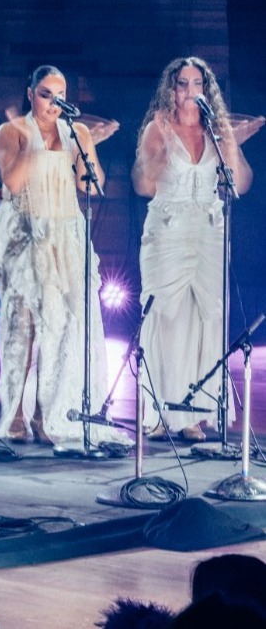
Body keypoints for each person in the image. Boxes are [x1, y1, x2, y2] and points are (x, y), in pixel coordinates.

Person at [133, 57, 262, 441]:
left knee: (205, 319)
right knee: (167, 318)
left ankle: (194, 413)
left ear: (207, 90)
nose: (190, 92)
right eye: (183, 84)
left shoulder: (216, 132)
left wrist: (231, 143)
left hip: (208, 231)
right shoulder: (158, 127)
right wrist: (158, 152)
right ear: (171, 90)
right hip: (168, 231)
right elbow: (144, 185)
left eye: (197, 84)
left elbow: (240, 184)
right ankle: (159, 412)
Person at [0, 64, 108, 447]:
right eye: (46, 95)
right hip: (24, 232)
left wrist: (87, 147)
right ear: (30, 93)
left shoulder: (77, 132)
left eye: (60, 96)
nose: (54, 103)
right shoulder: (13, 131)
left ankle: (45, 413)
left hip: (64, 233)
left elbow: (92, 185)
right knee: (22, 328)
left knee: (60, 327)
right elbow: (12, 182)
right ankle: (15, 414)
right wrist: (35, 145)